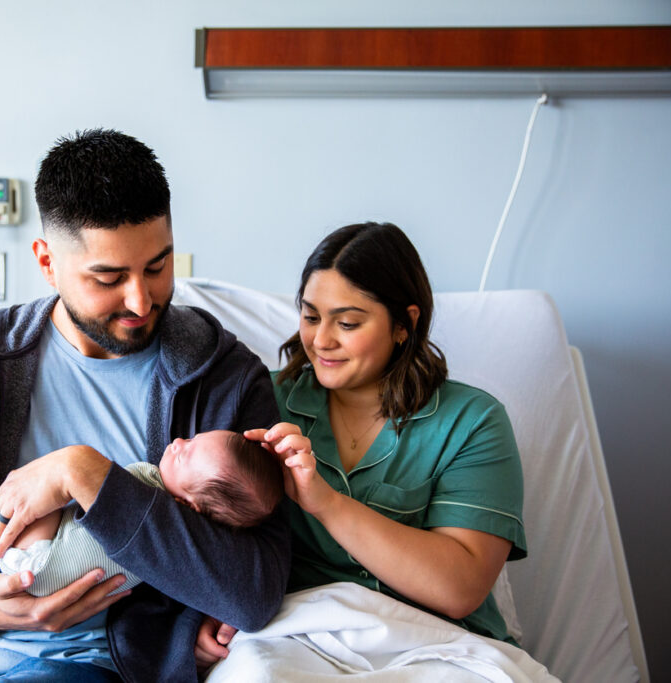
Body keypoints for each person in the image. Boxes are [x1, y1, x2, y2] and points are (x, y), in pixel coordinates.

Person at [0, 129, 289, 683]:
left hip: (110, 667)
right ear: (47, 262)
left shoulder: (224, 380)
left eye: (158, 267)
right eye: (109, 278)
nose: (141, 300)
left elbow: (254, 590)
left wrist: (85, 474)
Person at [195, 222, 527, 671]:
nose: (321, 340)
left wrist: (327, 504)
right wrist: (199, 615)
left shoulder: (472, 422)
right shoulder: (261, 402)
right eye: (311, 317)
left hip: (437, 646)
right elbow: (202, 520)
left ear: (404, 325)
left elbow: (460, 588)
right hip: (297, 638)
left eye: (347, 323)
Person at [0, 430, 284, 597]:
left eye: (185, 454)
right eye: (192, 439)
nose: (180, 441)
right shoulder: (179, 543)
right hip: (38, 579)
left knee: (43, 500)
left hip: (40, 566)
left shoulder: (149, 490)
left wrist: (71, 471)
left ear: (188, 504)